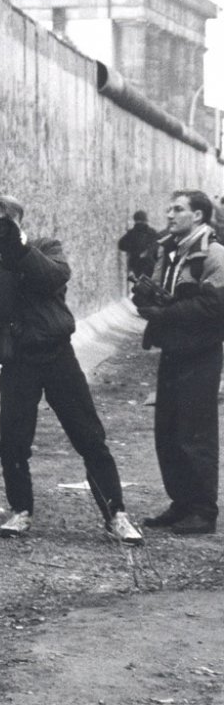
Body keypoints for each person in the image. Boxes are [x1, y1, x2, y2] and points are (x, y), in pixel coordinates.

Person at [0, 195, 143, 543]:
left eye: (9, 220)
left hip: (58, 356)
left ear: (21, 220)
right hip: (18, 362)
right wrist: (6, 262)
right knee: (13, 442)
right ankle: (20, 511)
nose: (3, 225)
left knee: (89, 437)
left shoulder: (47, 249)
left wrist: (20, 252)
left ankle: (116, 514)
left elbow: (54, 279)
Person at [133, 189, 224, 535]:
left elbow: (214, 307)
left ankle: (203, 512)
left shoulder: (214, 255)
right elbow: (164, 291)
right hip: (174, 351)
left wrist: (166, 313)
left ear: (199, 216)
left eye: (178, 210)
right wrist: (146, 296)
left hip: (201, 354)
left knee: (194, 434)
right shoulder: (170, 251)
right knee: (168, 432)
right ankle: (182, 503)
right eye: (169, 208)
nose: (169, 215)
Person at [117, 210, 159, 281]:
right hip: (151, 266)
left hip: (136, 267)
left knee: (139, 288)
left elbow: (121, 245)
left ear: (135, 220)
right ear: (145, 220)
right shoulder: (152, 232)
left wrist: (132, 250)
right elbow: (158, 246)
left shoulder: (131, 233)